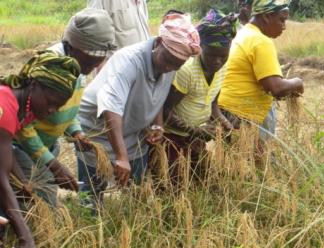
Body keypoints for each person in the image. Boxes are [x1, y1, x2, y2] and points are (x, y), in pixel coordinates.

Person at [77, 13, 201, 209]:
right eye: (167, 60)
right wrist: (121, 156)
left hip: (132, 130)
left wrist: (157, 124)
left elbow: (158, 95)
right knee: (92, 188)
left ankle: (134, 220)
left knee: (138, 189)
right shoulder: (129, 61)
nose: (169, 67)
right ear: (159, 42)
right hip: (98, 129)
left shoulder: (170, 65)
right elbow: (111, 107)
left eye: (176, 65)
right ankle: (90, 223)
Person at [14, 8, 116, 206]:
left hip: (47, 148)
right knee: (38, 205)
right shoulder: (51, 67)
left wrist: (76, 132)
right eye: (88, 63)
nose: (90, 68)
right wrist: (53, 165)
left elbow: (68, 107)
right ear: (71, 46)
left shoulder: (76, 65)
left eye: (95, 63)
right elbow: (22, 121)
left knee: (38, 201)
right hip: (23, 149)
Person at [0, 51, 80, 248]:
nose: (52, 110)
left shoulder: (20, 108)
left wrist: (23, 181)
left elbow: (6, 159)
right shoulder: (4, 107)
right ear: (33, 85)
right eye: (50, 101)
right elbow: (1, 176)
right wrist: (26, 238)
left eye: (59, 106)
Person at [163, 9, 237, 184]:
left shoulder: (222, 68)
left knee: (204, 182)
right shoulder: (187, 70)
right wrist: (196, 131)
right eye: (211, 55)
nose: (217, 61)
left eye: (223, 56)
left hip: (195, 137)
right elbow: (165, 111)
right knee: (174, 186)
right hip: (173, 139)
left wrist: (224, 124)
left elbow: (213, 104)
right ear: (200, 47)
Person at [218, 0, 304, 142]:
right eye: (281, 20)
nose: (284, 26)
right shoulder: (260, 41)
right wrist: (298, 83)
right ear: (265, 17)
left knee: (238, 161)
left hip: (226, 112)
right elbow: (276, 88)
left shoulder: (243, 33)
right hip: (243, 116)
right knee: (257, 162)